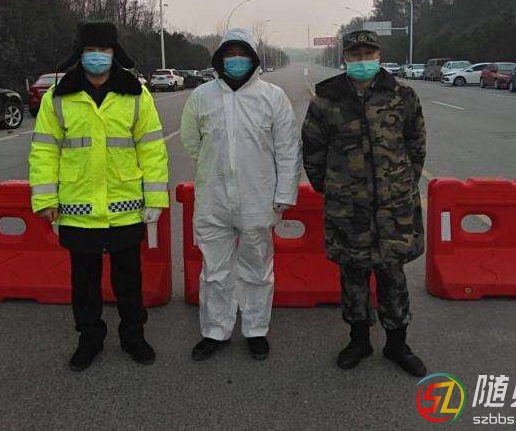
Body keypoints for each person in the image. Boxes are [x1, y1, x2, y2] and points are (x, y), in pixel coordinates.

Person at [29, 19, 169, 371]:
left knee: (128, 281)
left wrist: (155, 198)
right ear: (79, 53)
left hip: (125, 207)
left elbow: (152, 149)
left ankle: (133, 336)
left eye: (103, 50)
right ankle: (89, 339)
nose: (97, 57)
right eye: (90, 50)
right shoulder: (58, 96)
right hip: (78, 209)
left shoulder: (136, 93)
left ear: (114, 53)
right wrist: (45, 200)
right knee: (84, 283)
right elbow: (44, 150)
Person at [301, 29, 427, 376]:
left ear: (378, 56)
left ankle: (397, 344)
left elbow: (416, 145)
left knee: (393, 274)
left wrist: (401, 185)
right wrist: (332, 188)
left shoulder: (402, 95)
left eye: (368, 55)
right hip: (347, 207)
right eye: (355, 55)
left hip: (392, 208)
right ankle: (358, 341)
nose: (362, 61)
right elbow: (313, 151)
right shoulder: (326, 100)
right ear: (345, 58)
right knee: (353, 274)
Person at [180, 28, 301, 361]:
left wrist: (284, 192)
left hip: (258, 199)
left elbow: (288, 148)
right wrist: (214, 166)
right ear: (219, 59)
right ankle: (215, 331)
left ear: (253, 57)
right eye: (229, 54)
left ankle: (255, 329)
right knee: (214, 270)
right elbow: (191, 141)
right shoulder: (201, 97)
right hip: (214, 199)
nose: (236, 60)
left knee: (257, 268)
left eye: (242, 54)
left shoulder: (272, 96)